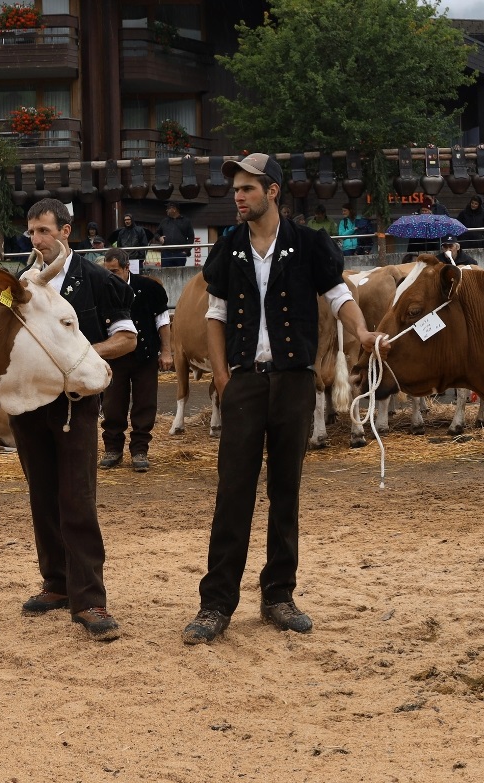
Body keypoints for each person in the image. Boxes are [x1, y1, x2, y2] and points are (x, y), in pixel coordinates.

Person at [181, 153, 381, 645]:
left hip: (294, 381)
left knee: (285, 491)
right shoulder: (228, 249)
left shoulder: (309, 244)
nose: (238, 196)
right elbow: (216, 316)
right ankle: (216, 604)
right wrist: (224, 379)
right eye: (236, 190)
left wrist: (363, 331)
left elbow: (338, 296)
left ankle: (278, 596)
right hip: (245, 381)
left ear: (272, 191)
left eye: (247, 188)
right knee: (233, 493)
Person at [8, 197, 136, 642]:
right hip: (27, 405)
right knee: (42, 496)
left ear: (66, 231)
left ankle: (89, 598)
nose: (37, 240)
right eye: (31, 232)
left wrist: (78, 358)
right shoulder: (20, 284)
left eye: (44, 231)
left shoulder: (97, 279)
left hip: (75, 406)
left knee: (77, 499)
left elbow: (126, 339)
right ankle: (56, 583)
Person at [99, 247, 173, 473]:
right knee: (112, 404)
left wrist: (167, 351)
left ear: (126, 268)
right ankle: (113, 448)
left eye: (115, 271)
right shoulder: (101, 288)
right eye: (107, 272)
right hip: (114, 356)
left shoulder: (149, 288)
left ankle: (140, 449)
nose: (111, 276)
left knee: (145, 403)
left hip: (145, 355)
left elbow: (162, 321)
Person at [156, 201, 195, 268]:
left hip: (180, 253)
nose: (166, 210)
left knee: (179, 274)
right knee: (165, 274)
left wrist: (186, 251)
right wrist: (159, 238)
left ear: (174, 209)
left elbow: (191, 237)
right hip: (166, 253)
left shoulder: (186, 221)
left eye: (168, 208)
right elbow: (156, 233)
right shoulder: (164, 221)